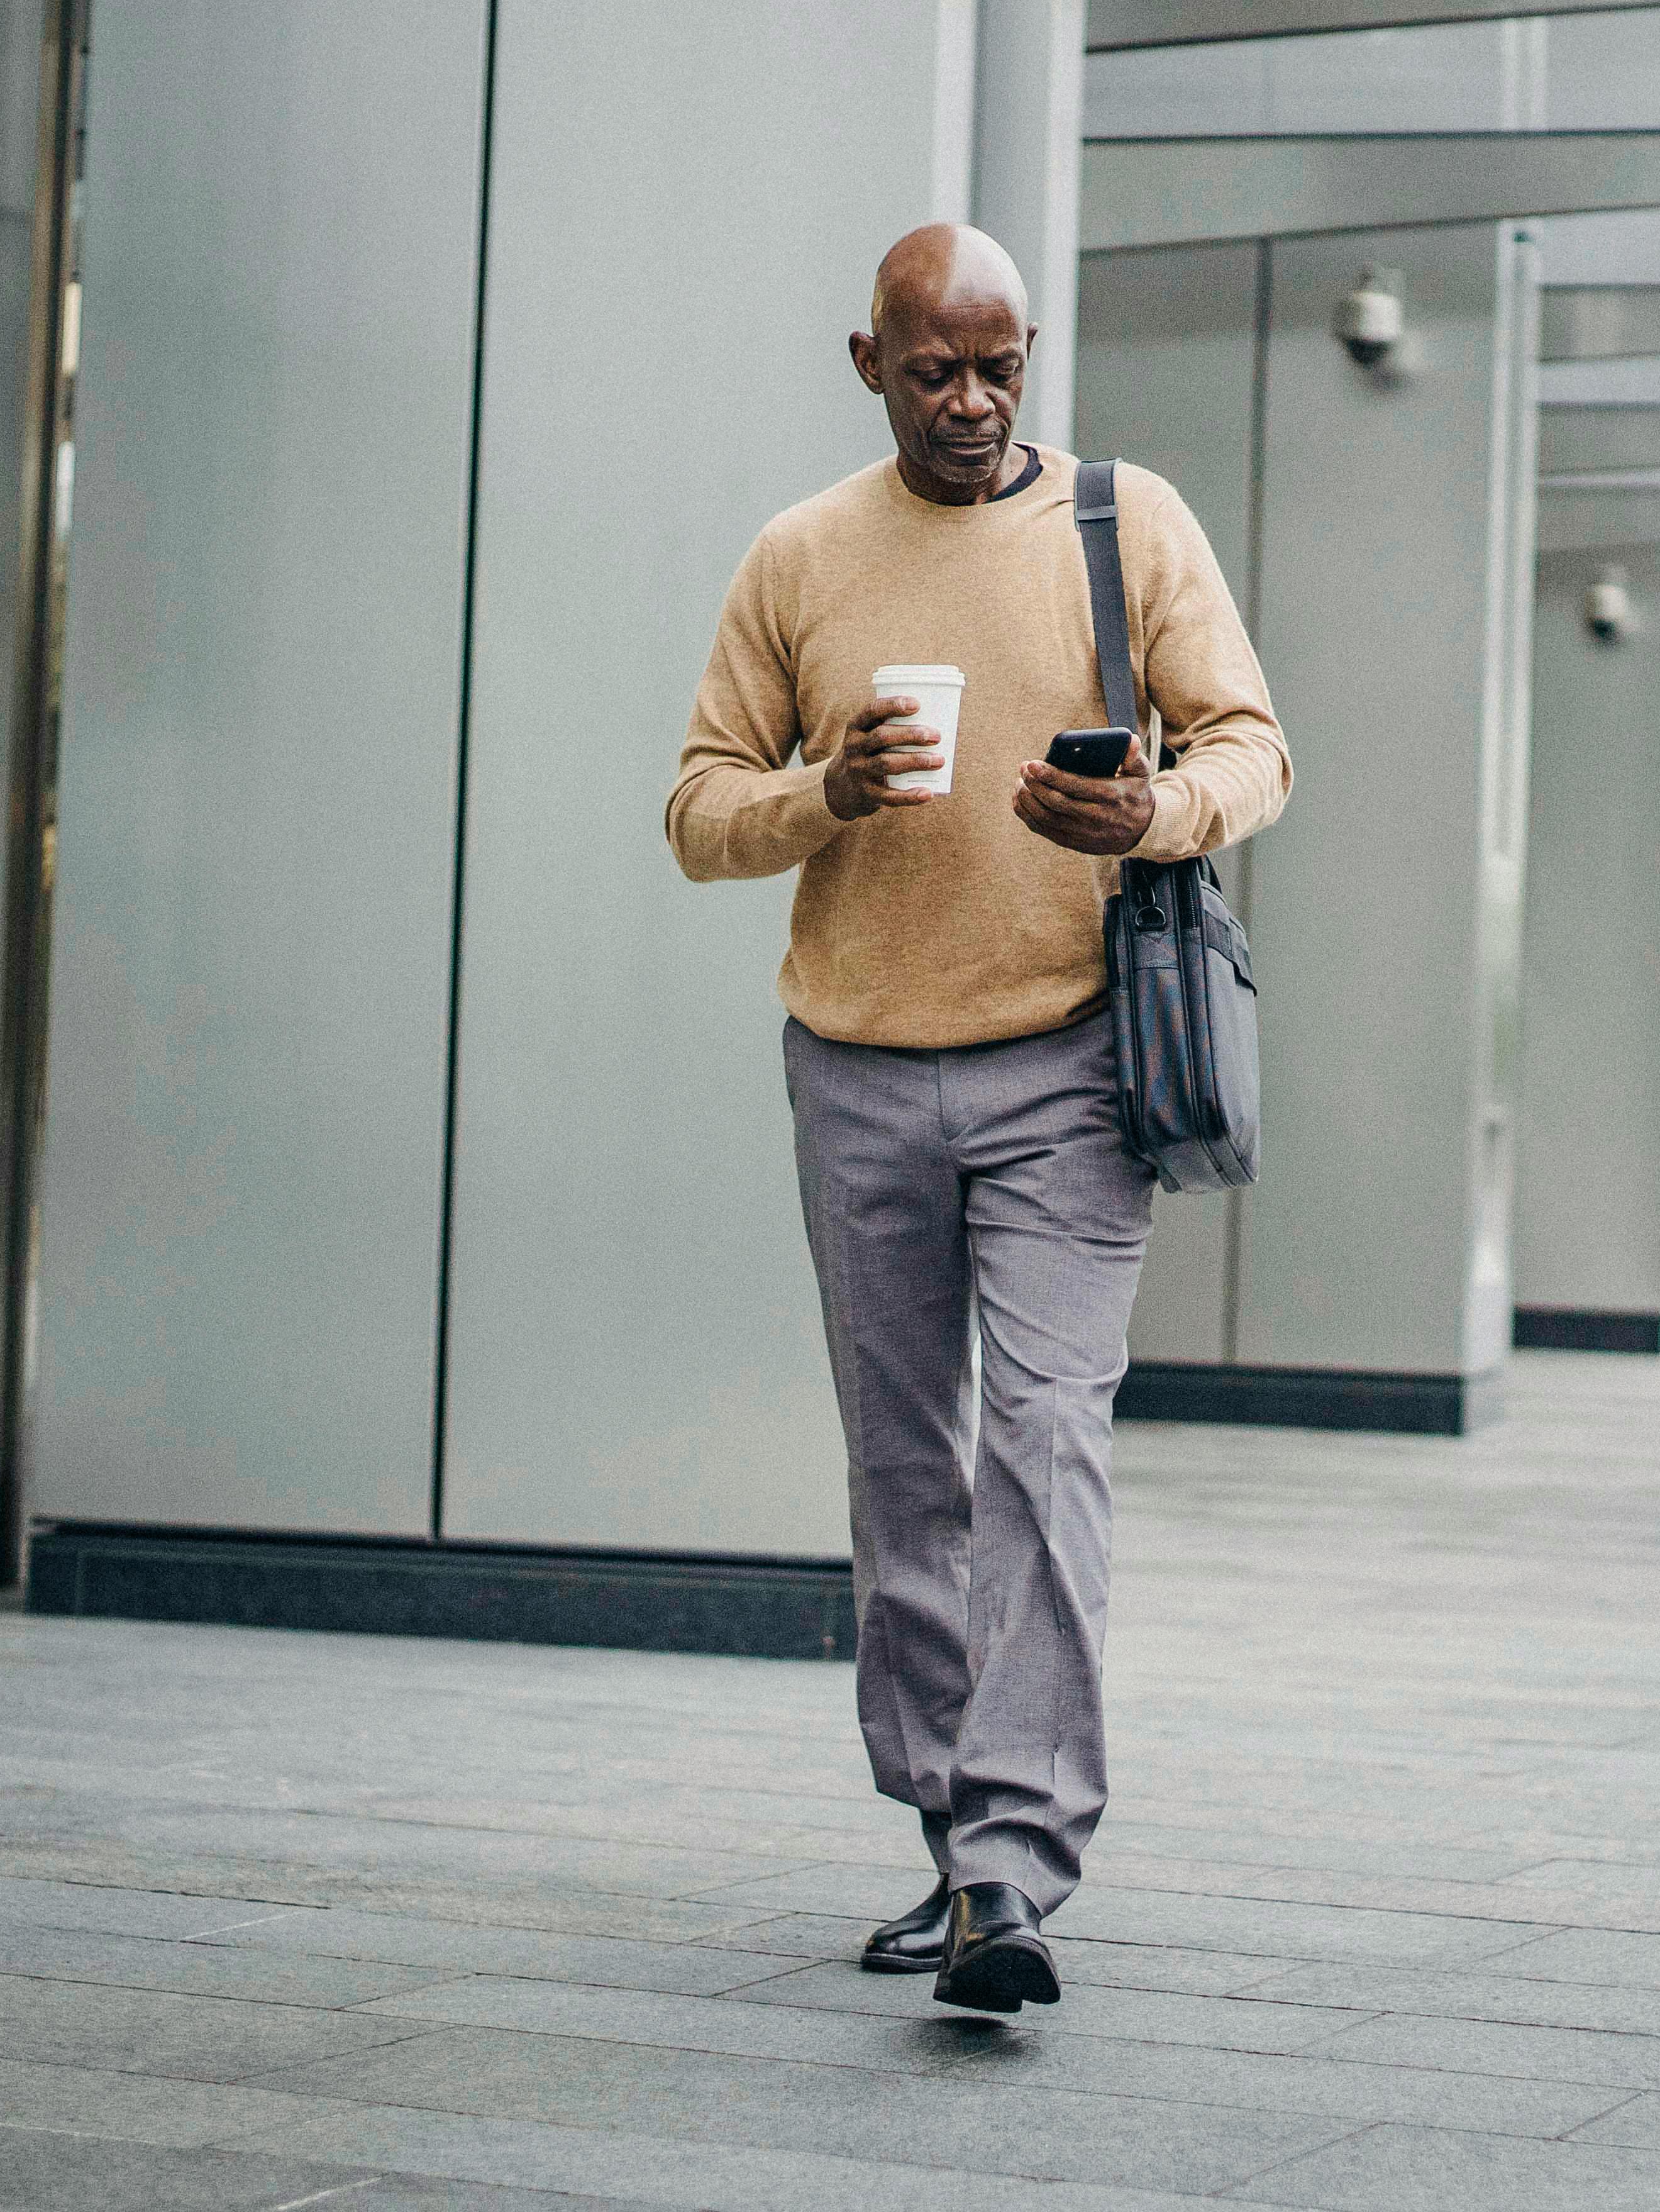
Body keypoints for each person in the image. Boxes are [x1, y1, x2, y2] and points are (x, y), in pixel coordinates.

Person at [665, 223, 1290, 2016]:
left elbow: (1252, 743)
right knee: (906, 1470)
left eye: (1001, 364)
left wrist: (1152, 817)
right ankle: (948, 1842)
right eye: (935, 367)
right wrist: (822, 793)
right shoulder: (801, 556)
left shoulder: (1124, 523)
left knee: (1046, 1442)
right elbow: (697, 811)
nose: (972, 399)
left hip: (1071, 1070)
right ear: (869, 364)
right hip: (854, 1064)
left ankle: (1015, 1869)